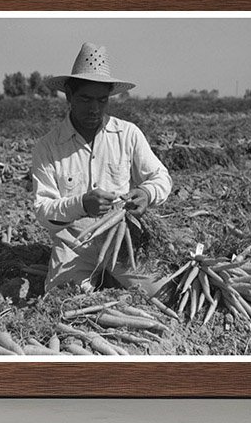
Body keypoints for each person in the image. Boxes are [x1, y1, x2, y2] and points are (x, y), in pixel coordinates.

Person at [31, 42, 172, 292]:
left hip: (122, 239)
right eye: (86, 99)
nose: (95, 108)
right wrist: (82, 204)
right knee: (62, 300)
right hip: (74, 243)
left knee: (161, 292)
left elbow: (161, 178)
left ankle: (112, 276)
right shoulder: (48, 147)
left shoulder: (128, 134)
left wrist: (147, 193)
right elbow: (43, 210)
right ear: (69, 96)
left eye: (102, 100)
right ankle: (102, 278)